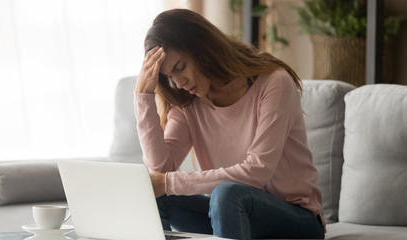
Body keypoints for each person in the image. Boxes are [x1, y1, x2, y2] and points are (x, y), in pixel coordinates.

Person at [133, 8, 326, 240]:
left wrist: (167, 182)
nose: (179, 83)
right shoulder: (188, 104)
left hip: (296, 218)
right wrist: (142, 97)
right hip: (229, 214)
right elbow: (160, 171)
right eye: (170, 78)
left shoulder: (274, 83)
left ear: (202, 48)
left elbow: (256, 172)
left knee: (226, 194)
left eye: (180, 67)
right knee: (155, 192)